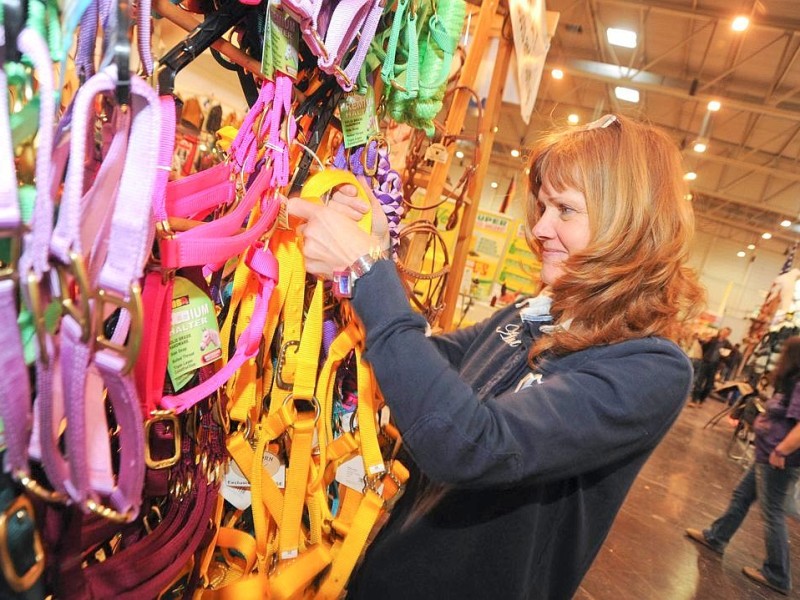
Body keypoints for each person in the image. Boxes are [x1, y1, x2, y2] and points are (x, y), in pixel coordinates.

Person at [289, 114, 704, 600]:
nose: (541, 229)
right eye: (543, 207)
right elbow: (428, 367)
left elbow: (471, 445)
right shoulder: (535, 312)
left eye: (565, 210)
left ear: (628, 223)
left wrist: (365, 271)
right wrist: (378, 251)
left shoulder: (649, 370)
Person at [685, 336, 800, 596]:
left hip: (777, 459)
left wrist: (782, 449)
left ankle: (778, 574)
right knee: (741, 496)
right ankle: (716, 537)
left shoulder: (799, 384)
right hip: (767, 455)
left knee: (772, 513)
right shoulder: (792, 383)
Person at [689, 326, 733, 406]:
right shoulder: (713, 339)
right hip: (705, 362)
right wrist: (701, 340)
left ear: (728, 335)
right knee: (699, 381)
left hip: (715, 365)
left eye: (726, 333)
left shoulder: (727, 344)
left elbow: (729, 357)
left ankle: (701, 400)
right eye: (723, 331)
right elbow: (704, 346)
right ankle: (694, 400)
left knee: (709, 385)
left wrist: (724, 356)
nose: (723, 333)